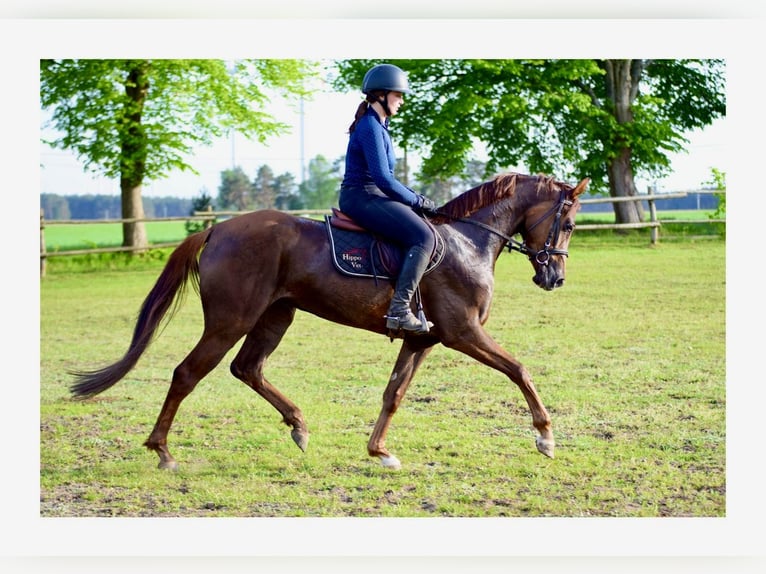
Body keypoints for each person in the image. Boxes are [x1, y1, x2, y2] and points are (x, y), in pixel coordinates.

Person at [339, 63, 437, 333]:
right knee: (424, 237)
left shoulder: (380, 126)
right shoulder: (370, 127)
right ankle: (399, 310)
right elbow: (383, 179)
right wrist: (417, 201)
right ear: (381, 95)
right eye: (398, 95)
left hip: (372, 195)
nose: (402, 101)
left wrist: (415, 199)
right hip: (362, 196)